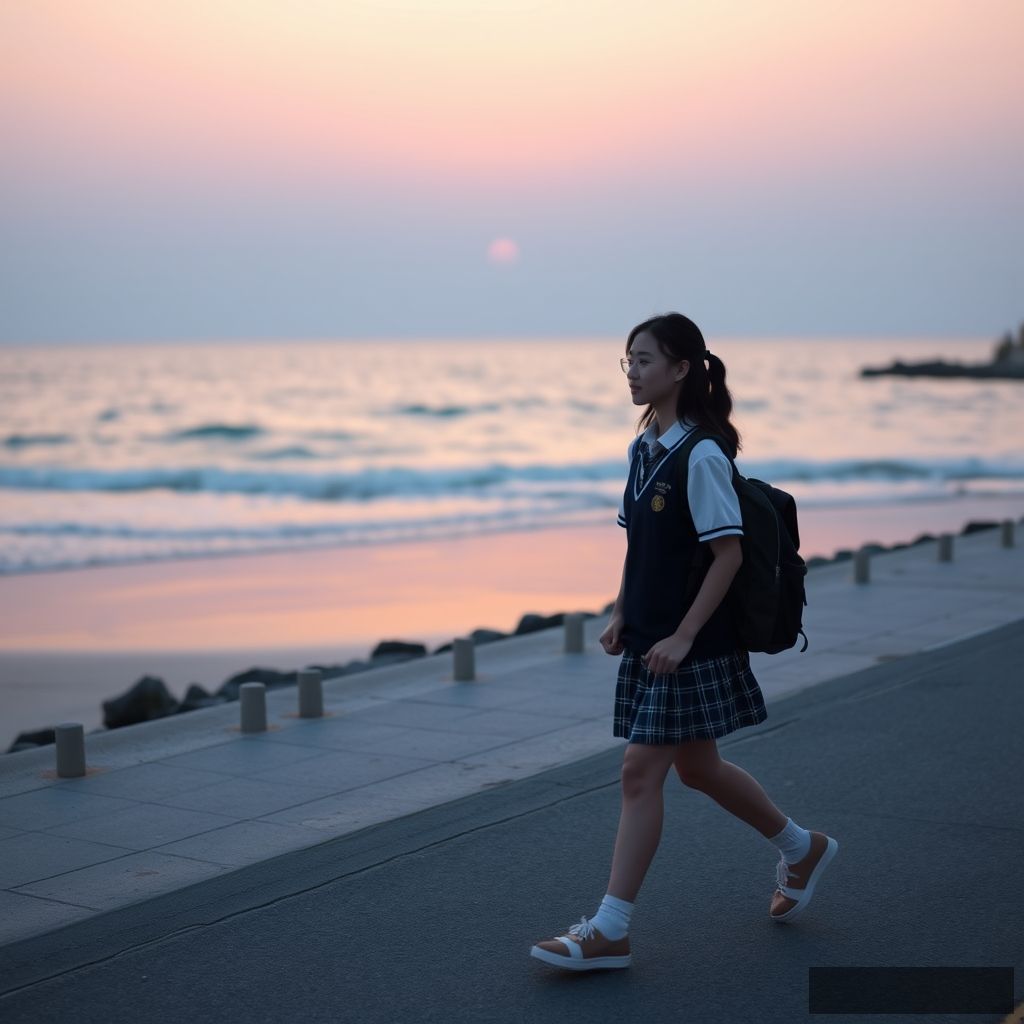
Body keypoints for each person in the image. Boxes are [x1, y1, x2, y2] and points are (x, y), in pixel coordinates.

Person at [530, 313, 838, 972]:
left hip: (689, 643)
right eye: (627, 360)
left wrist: (683, 633)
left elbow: (726, 556)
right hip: (652, 639)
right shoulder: (645, 448)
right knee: (696, 768)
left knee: (640, 773)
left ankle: (611, 928)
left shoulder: (701, 453)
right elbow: (639, 543)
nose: (633, 371)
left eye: (644, 359)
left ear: (680, 369)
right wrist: (622, 613)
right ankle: (801, 847)